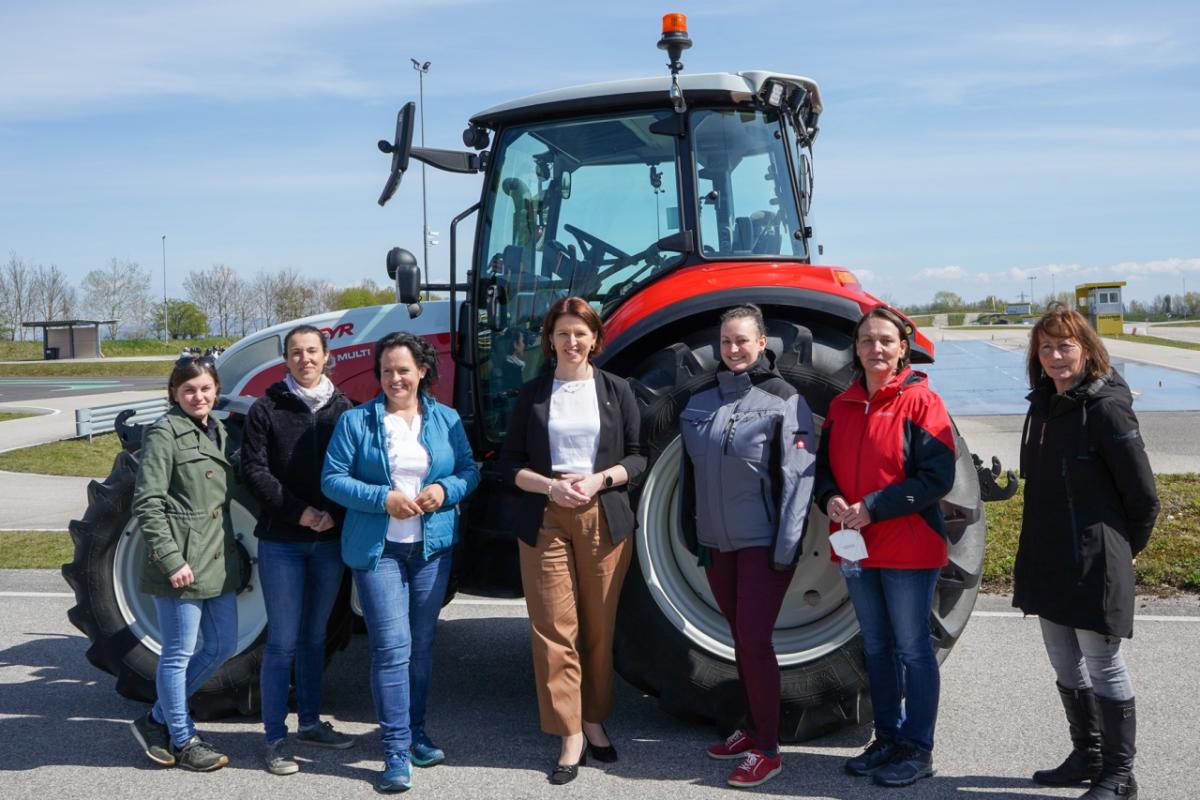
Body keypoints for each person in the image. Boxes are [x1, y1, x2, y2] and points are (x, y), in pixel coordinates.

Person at [321, 332, 480, 792]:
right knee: (391, 648)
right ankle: (393, 750)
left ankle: (414, 733)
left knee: (422, 646)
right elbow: (332, 480)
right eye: (388, 370)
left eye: (404, 369)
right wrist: (382, 498)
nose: (395, 378)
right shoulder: (357, 422)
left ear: (422, 371)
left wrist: (445, 490)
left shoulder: (445, 419)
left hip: (430, 550)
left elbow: (469, 471)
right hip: (379, 552)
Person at [498, 296, 645, 785]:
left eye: (580, 333)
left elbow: (638, 459)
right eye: (563, 333)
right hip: (545, 514)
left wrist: (600, 480)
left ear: (595, 339)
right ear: (550, 340)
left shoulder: (617, 391)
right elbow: (509, 465)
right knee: (553, 629)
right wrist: (550, 485)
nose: (572, 341)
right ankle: (569, 735)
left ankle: (594, 718)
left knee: (599, 628)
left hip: (602, 512)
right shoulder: (534, 395)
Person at [1014, 304, 1158, 800]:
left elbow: (1143, 496)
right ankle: (1088, 755)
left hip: (1094, 557)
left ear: (1086, 350)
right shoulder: (1043, 407)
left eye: (1065, 345)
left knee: (1102, 663)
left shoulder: (1106, 408)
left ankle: (1119, 775)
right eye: (1047, 346)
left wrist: (1120, 551)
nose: (1055, 355)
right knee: (1064, 663)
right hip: (1048, 555)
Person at [813, 305, 956, 788]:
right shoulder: (842, 405)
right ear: (856, 349)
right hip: (856, 546)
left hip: (907, 546)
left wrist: (874, 506)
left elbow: (937, 476)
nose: (877, 349)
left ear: (902, 349)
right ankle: (887, 736)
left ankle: (918, 748)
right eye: (867, 341)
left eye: (886, 341)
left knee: (913, 648)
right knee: (876, 647)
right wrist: (831, 499)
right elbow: (824, 472)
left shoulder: (921, 403)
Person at [677, 304, 816, 789]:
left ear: (762, 344)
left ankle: (769, 750)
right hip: (718, 545)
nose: (733, 350)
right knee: (739, 639)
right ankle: (753, 726)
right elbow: (689, 478)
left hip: (762, 544)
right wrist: (691, 533)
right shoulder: (700, 402)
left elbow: (799, 480)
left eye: (742, 341)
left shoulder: (784, 400)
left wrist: (787, 547)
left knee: (755, 642)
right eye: (726, 342)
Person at [241, 325, 356, 775]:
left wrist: (331, 515)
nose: (304, 358)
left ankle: (309, 722)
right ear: (285, 359)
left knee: (314, 636)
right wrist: (299, 513)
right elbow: (255, 471)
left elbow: (354, 466)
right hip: (284, 543)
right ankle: (275, 738)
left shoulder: (345, 409)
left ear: (327, 356)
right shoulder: (266, 409)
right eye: (295, 352)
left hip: (328, 542)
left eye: (312, 351)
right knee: (283, 641)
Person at [129, 355, 241, 772]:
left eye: (206, 388)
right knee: (178, 653)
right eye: (189, 389)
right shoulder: (164, 433)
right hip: (181, 564)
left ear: (216, 390)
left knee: (223, 645)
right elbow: (148, 502)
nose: (199, 396)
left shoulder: (219, 432)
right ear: (175, 393)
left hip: (217, 560)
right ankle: (183, 738)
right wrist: (171, 559)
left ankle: (156, 719)